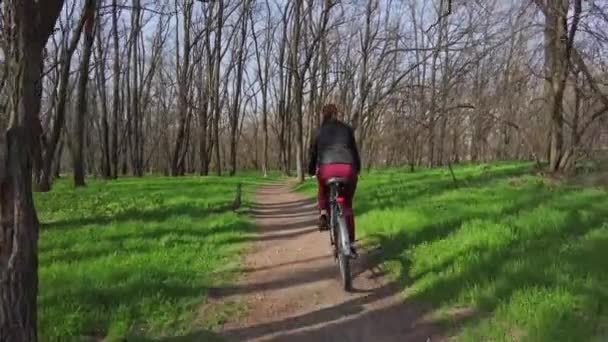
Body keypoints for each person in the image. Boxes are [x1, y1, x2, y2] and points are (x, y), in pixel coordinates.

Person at [308, 104, 361, 255]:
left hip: (326, 168)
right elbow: (354, 152)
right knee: (347, 204)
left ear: (323, 115)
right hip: (348, 168)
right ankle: (349, 242)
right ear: (336, 114)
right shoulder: (347, 129)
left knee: (322, 186)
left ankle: (324, 213)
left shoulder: (318, 131)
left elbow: (312, 153)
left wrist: (311, 170)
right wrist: (357, 169)